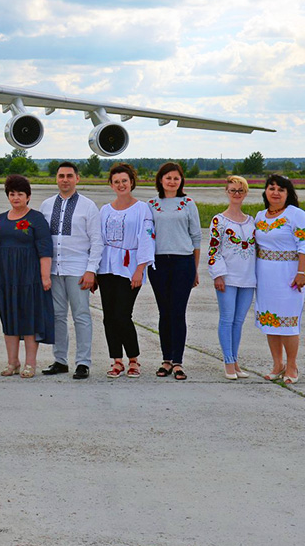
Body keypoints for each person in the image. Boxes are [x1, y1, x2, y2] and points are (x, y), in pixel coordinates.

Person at [38, 162, 102, 380]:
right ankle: (60, 360)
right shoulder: (46, 205)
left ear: (77, 178)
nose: (64, 180)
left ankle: (83, 362)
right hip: (54, 269)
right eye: (61, 176)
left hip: (78, 269)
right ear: (56, 179)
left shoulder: (88, 206)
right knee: (57, 316)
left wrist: (91, 270)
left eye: (69, 176)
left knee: (81, 315)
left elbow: (97, 241)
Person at [0, 174, 54, 378]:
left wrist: (45, 276)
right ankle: (12, 363)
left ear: (28, 196)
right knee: (9, 319)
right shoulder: (1, 219)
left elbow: (45, 249)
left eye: (20, 194)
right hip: (6, 277)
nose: (16, 197)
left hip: (30, 276)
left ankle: (30, 363)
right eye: (12, 194)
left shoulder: (36, 218)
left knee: (29, 318)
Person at [97, 163, 154, 379]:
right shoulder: (105, 210)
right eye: (116, 181)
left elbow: (147, 239)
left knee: (123, 314)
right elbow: (99, 241)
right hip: (106, 268)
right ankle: (116, 361)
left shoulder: (141, 209)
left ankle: (133, 359)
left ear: (131, 182)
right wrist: (94, 271)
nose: (121, 185)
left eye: (124, 181)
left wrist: (140, 269)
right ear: (111, 185)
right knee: (108, 317)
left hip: (129, 268)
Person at [254, 174, 305, 385]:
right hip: (265, 276)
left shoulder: (296, 215)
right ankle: (277, 365)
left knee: (288, 323)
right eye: (272, 188)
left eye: (281, 189)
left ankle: (292, 365)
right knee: (271, 321)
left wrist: (302, 273)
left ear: (288, 194)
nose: (276, 193)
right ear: (265, 192)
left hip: (288, 276)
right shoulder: (260, 217)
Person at [147, 161, 201, 381]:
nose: (172, 181)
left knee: (178, 312)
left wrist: (195, 269)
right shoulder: (151, 204)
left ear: (181, 181)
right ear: (161, 180)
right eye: (168, 177)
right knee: (164, 312)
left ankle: (178, 361)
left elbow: (196, 237)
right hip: (159, 263)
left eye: (176, 178)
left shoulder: (188, 203)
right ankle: (166, 359)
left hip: (183, 262)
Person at [207, 176, 256, 380]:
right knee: (227, 319)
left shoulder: (252, 221)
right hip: (227, 277)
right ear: (226, 192)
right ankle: (227, 361)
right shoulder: (219, 220)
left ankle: (235, 361)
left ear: (245, 193)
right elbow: (213, 250)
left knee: (239, 321)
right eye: (233, 190)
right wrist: (218, 274)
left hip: (248, 279)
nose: (236, 194)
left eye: (240, 190)